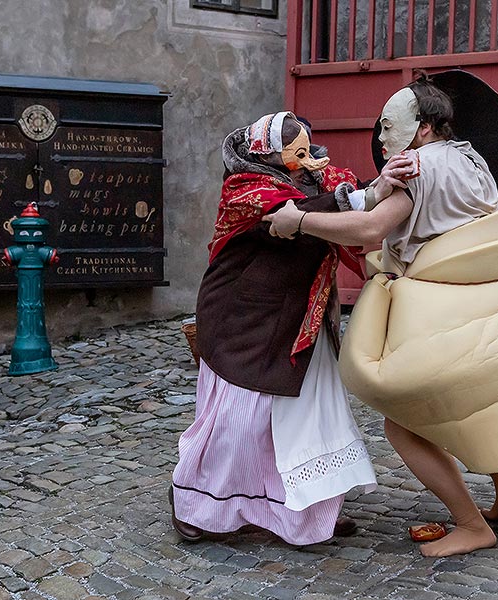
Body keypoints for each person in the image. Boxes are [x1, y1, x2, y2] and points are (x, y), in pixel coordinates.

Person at [265, 76, 498, 558]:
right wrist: (376, 186)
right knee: (464, 402)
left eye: (390, 126)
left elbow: (369, 229)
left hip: (435, 311)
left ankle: (471, 524)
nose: (383, 138)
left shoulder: (418, 169)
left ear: (425, 127)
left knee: (406, 421)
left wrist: (299, 220)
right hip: (486, 303)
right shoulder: (472, 158)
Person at [169, 112, 380, 546]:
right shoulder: (245, 189)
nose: (305, 157)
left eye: (307, 147)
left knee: (314, 416)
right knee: (240, 422)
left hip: (304, 317)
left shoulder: (322, 180)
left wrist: (374, 190)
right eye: (294, 151)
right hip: (245, 319)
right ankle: (199, 506)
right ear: (266, 153)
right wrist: (369, 196)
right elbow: (298, 214)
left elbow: (343, 201)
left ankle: (310, 508)